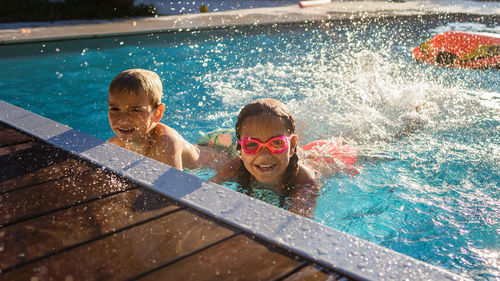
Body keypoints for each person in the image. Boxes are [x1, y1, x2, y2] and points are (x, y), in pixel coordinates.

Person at [211, 98, 327, 218]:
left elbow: (298, 222)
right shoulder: (234, 168)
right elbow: (206, 192)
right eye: (252, 144)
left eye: (276, 143)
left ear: (292, 145)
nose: (264, 155)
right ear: (241, 149)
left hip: (324, 159)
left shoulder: (304, 180)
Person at [107, 69, 201, 170]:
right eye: (115, 109)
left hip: (216, 158)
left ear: (157, 113)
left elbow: (174, 185)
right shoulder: (116, 144)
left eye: (135, 110)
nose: (123, 120)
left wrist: (219, 177)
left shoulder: (166, 143)